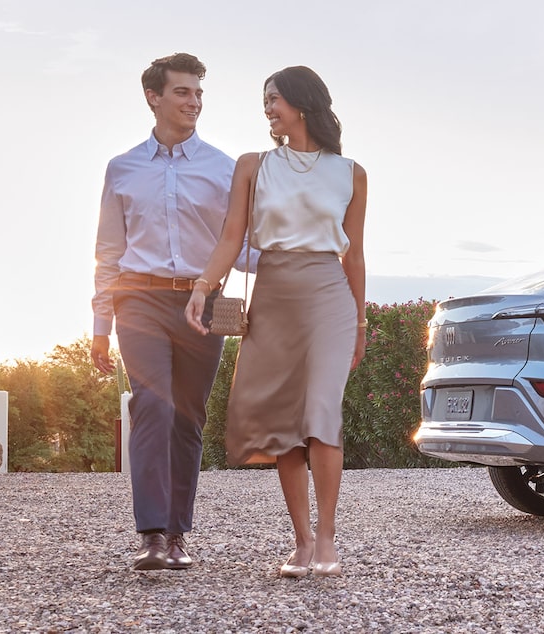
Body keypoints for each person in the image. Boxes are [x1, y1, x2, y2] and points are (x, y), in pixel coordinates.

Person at [185, 65, 367, 578]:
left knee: (321, 411)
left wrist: (358, 322)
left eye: (274, 99)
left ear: (302, 103)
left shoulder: (351, 172)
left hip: (330, 296)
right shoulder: (252, 165)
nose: (267, 109)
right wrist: (202, 288)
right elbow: (230, 239)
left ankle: (329, 538)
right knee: (287, 423)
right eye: (265, 100)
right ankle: (303, 541)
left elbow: (354, 256)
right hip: (274, 294)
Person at [92, 53, 242, 570]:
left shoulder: (225, 167)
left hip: (203, 302)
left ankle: (178, 533)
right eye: (182, 92)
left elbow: (242, 245)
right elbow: (108, 252)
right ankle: (152, 534)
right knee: (152, 406)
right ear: (153, 97)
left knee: (188, 416)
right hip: (138, 298)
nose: (193, 102)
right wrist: (99, 327)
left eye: (198, 93)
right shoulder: (122, 168)